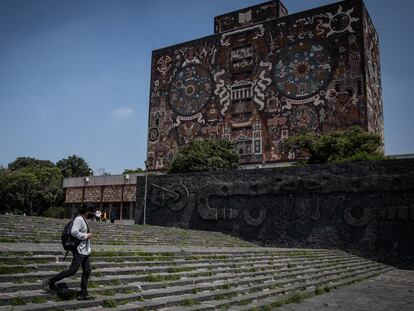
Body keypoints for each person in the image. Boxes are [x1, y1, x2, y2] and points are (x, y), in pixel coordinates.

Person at [42, 204, 95, 300]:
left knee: (87, 271)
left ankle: (83, 293)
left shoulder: (82, 219)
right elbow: (73, 232)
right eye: (91, 212)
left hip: (85, 251)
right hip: (79, 251)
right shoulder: (79, 219)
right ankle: (50, 281)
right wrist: (86, 235)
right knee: (72, 271)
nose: (92, 214)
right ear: (87, 211)